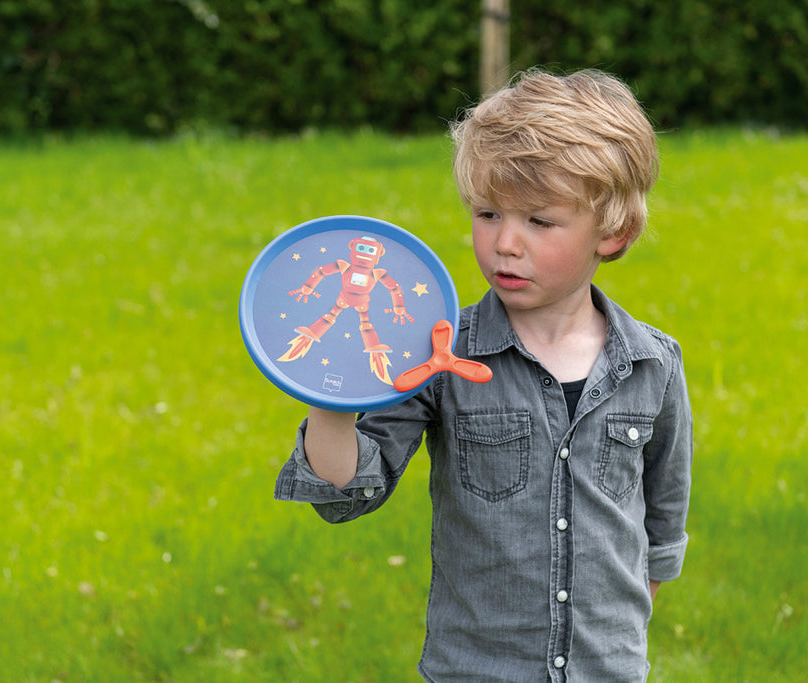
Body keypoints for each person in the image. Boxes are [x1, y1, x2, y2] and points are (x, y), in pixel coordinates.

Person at [274, 68, 693, 682]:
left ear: (614, 232)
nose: (505, 244)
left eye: (540, 222)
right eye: (488, 214)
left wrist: (610, 646)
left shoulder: (652, 363)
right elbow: (347, 493)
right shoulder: (438, 353)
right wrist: (330, 399)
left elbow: (662, 521)